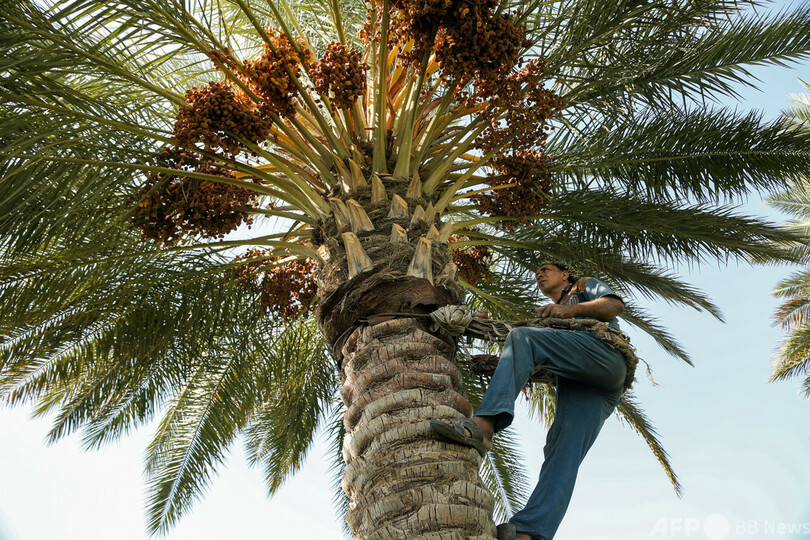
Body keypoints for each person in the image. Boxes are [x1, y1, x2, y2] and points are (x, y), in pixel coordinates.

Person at [430, 262, 628, 540]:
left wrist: (569, 310)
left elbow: (614, 306)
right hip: (580, 383)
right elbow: (535, 357)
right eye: (537, 273)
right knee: (561, 451)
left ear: (565, 275)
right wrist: (497, 364)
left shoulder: (583, 286)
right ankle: (531, 532)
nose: (540, 274)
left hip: (606, 356)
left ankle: (485, 425)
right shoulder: (550, 321)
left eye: (546, 269)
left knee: (522, 337)